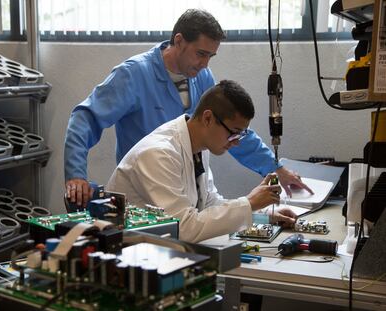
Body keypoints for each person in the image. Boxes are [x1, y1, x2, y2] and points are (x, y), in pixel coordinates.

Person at [64, 9, 312, 208]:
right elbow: (85, 118)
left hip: (187, 190)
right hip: (145, 196)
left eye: (210, 57)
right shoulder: (133, 75)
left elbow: (230, 129)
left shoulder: (201, 77)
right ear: (179, 41)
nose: (204, 64)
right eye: (200, 54)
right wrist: (76, 175)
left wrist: (274, 167)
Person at [107, 80, 297, 243]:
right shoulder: (158, 154)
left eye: (241, 134)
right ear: (208, 118)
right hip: (129, 257)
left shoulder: (198, 147)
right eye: (233, 133)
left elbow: (208, 204)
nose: (237, 141)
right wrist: (249, 203)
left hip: (161, 250)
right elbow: (183, 228)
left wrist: (261, 216)